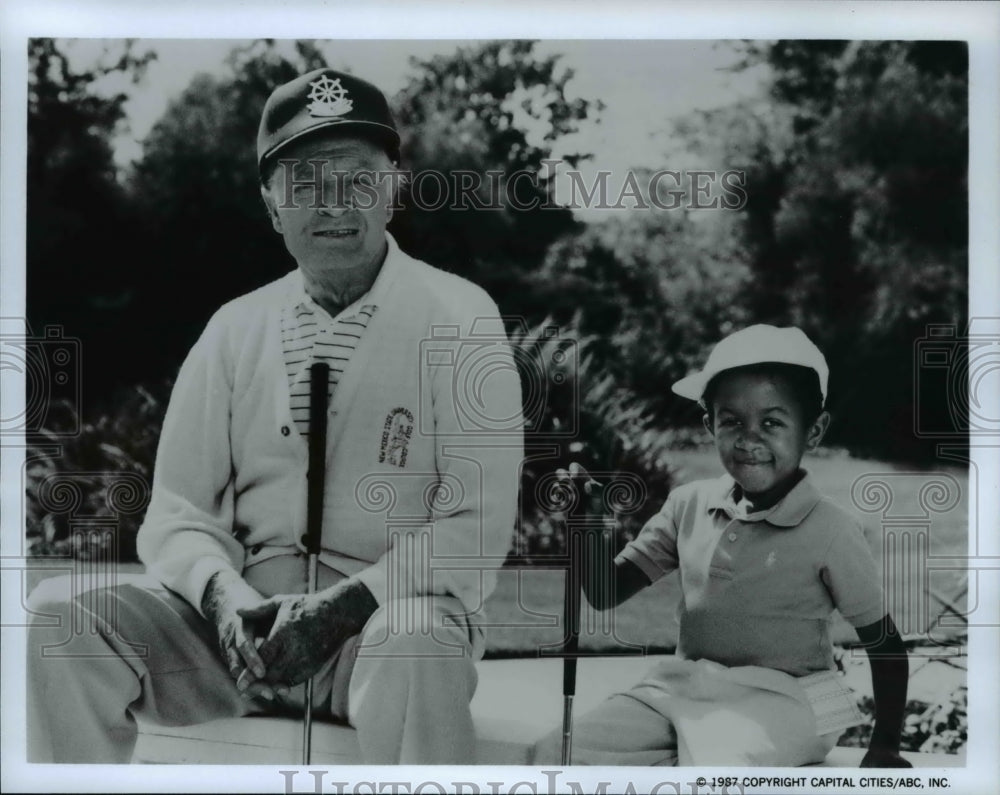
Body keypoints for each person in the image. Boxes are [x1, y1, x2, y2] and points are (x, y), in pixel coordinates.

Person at [27, 68, 524, 764]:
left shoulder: (462, 316)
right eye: (304, 182)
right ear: (271, 205)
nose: (333, 204)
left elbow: (473, 527)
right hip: (238, 636)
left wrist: (343, 606)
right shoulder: (235, 327)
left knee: (418, 637)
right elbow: (176, 514)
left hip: (380, 632)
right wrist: (225, 600)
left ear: (394, 189)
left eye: (356, 178)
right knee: (58, 613)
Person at [533, 324, 911, 767]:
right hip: (691, 684)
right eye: (731, 421)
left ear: (814, 430)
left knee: (715, 766)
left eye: (772, 422)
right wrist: (587, 521)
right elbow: (604, 592)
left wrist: (884, 744)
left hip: (797, 698)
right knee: (561, 751)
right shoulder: (688, 505)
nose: (749, 438)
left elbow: (884, 644)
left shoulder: (832, 529)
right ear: (710, 424)